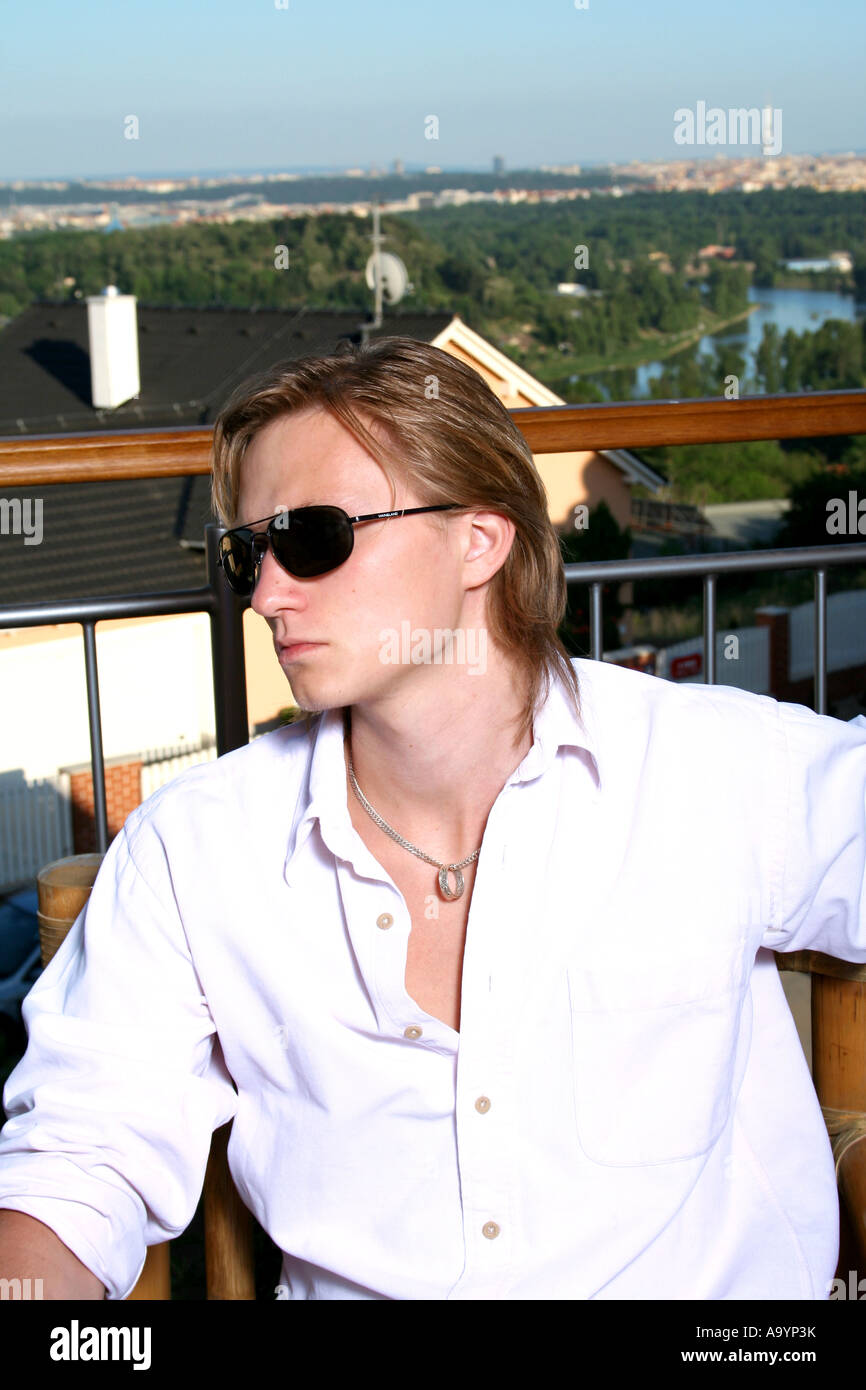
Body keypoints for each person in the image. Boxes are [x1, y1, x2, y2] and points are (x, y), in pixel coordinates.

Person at [0, 336, 864, 1301]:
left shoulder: (711, 773)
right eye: (250, 551)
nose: (266, 594)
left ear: (479, 540)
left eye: (314, 537)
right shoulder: (197, 850)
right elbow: (80, 1161)